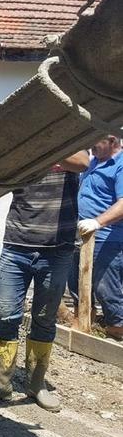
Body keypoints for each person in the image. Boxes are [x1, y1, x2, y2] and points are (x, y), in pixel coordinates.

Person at [0, 151, 88, 412]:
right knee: (7, 316)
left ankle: (36, 384)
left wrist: (44, 149)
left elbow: (83, 162)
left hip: (57, 249)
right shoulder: (19, 150)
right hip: (16, 246)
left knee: (44, 320)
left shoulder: (70, 139)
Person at [75, 135, 123, 341]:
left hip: (108, 237)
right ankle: (86, 320)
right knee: (79, 281)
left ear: (112, 140)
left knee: (106, 285)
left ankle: (117, 328)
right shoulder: (93, 161)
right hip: (84, 235)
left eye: (97, 141)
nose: (91, 146)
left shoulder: (120, 165)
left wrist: (97, 222)